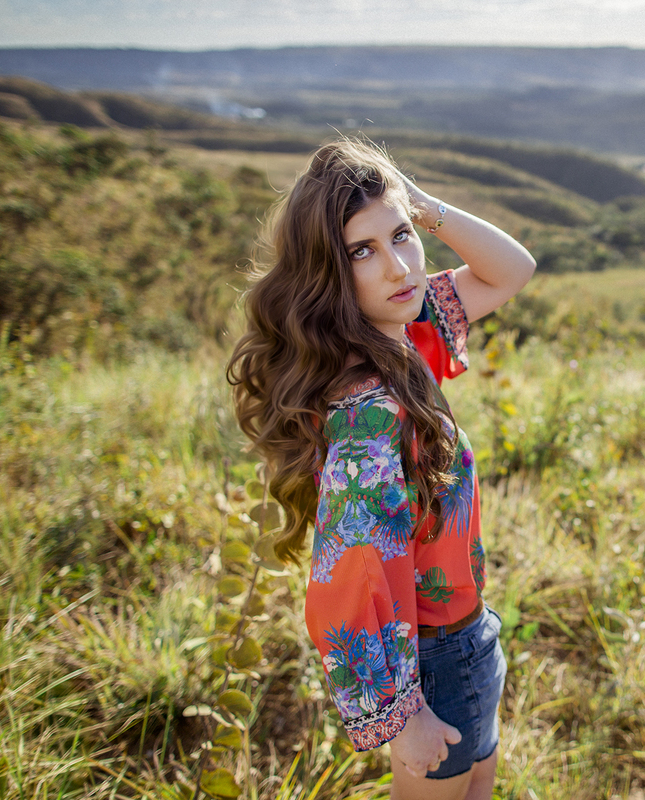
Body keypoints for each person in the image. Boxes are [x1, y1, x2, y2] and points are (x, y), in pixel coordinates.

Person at [227, 137, 535, 800]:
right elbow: (351, 571)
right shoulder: (369, 409)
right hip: (433, 663)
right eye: (361, 251)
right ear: (329, 274)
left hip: (468, 639)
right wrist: (402, 720)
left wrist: (417, 203)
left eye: (401, 236)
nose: (398, 267)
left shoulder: (404, 335)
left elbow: (511, 269)